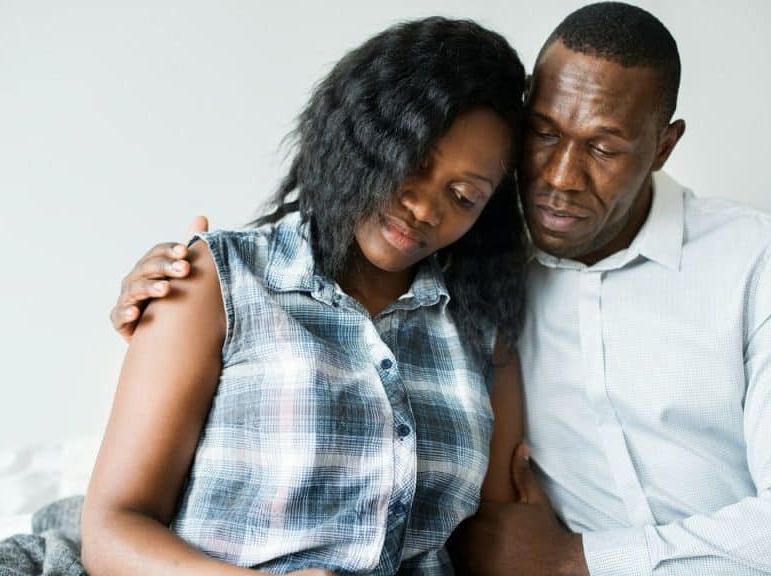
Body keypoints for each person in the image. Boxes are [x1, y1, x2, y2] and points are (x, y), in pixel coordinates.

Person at [113, 3, 771, 575]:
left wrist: (577, 560)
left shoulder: (756, 260)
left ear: (664, 144)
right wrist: (172, 285)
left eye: (604, 147)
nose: (562, 179)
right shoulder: (448, 262)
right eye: (544, 134)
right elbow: (117, 517)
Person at [82, 17, 530, 576]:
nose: (424, 208)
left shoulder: (483, 332)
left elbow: (495, 542)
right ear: (365, 138)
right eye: (411, 165)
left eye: (463, 196)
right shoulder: (216, 279)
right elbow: (112, 529)